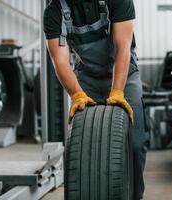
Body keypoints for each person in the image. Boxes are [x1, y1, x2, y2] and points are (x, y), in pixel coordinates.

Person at [43, 0, 149, 199]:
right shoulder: (54, 11)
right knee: (81, 143)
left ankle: (135, 195)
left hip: (124, 75)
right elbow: (60, 61)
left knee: (135, 143)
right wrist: (76, 94)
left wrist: (117, 91)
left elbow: (123, 47)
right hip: (86, 79)